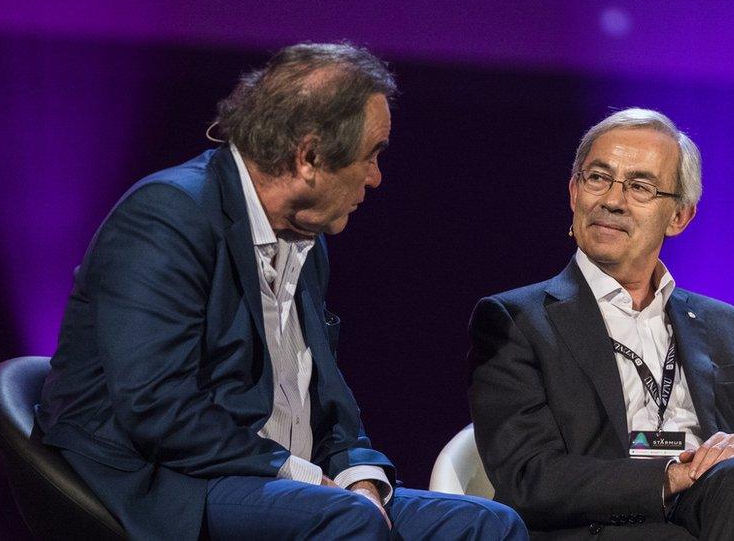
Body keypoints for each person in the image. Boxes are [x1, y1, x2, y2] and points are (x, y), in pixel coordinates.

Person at [37, 42, 526, 540]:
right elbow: (156, 407)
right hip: (169, 482)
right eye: (371, 155)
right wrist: (306, 477)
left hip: (283, 484)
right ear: (310, 155)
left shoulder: (304, 236)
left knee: (487, 524)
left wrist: (359, 476)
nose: (376, 178)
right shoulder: (168, 216)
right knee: (345, 520)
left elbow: (326, 394)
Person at [468, 108, 734, 540]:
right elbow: (528, 478)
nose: (612, 200)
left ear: (680, 217)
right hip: (606, 526)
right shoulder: (516, 319)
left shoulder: (725, 325)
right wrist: (670, 477)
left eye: (640, 186)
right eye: (598, 178)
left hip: (730, 507)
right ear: (574, 192)